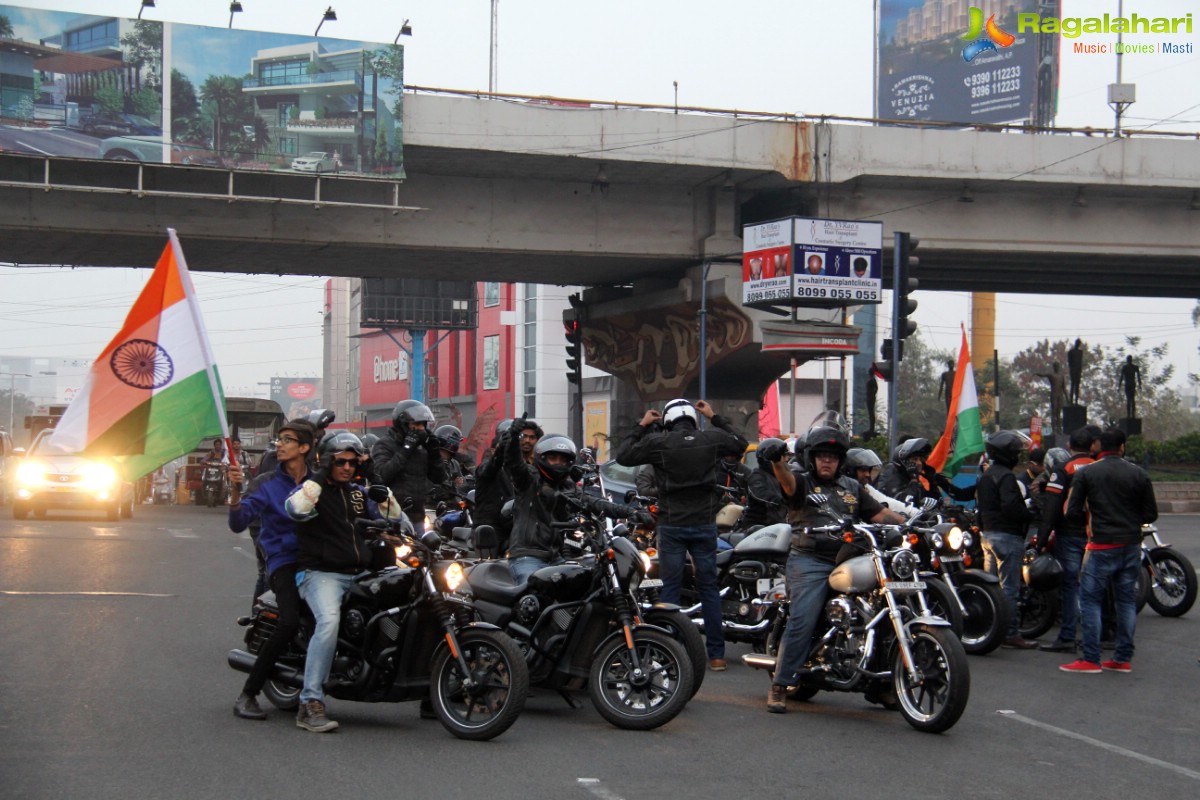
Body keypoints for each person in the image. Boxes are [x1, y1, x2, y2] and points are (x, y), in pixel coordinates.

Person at [762, 427, 904, 712]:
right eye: (822, 457)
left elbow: (879, 514)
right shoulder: (801, 483)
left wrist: (909, 522)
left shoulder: (852, 487)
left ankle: (879, 685)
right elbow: (787, 483)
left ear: (841, 461)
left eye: (833, 457)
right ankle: (781, 683)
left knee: (883, 611)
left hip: (849, 557)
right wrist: (778, 462)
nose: (827, 462)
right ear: (812, 459)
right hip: (809, 558)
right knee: (803, 615)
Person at [615, 398, 749, 671]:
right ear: (692, 417)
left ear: (667, 421)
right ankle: (717, 656)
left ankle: (670, 654)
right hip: (704, 524)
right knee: (709, 589)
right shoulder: (711, 438)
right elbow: (740, 443)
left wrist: (641, 425)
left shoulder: (658, 443)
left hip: (672, 524)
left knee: (671, 591)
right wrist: (714, 416)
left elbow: (624, 455)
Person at [285, 432, 403, 732]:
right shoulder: (312, 490)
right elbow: (296, 509)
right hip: (319, 573)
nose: (348, 467)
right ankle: (309, 702)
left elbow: (395, 517)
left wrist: (376, 480)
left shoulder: (356, 493)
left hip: (358, 573)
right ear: (327, 461)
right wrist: (323, 473)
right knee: (329, 622)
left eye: (352, 462)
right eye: (341, 461)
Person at [227, 418, 317, 721]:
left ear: (304, 447)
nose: (279, 444)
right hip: (284, 562)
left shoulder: (319, 484)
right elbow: (238, 523)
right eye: (279, 439)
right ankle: (249, 693)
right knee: (289, 621)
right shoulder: (265, 483)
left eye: (287, 439)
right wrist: (235, 492)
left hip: (320, 562)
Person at [1060, 428, 1157, 674]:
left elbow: (1071, 512)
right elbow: (1150, 514)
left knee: (1090, 601)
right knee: (1125, 601)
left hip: (1101, 545)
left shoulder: (1088, 473)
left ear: (1098, 447)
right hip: (1131, 545)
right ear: (1122, 447)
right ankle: (1122, 658)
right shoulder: (1139, 474)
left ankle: (1091, 659)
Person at [505, 427, 646, 582]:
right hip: (528, 556)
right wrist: (512, 439)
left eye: (563, 459)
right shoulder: (529, 481)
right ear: (542, 458)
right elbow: (515, 465)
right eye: (553, 458)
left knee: (588, 583)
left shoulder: (567, 486)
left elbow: (594, 502)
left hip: (554, 557)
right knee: (532, 594)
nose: (558, 463)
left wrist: (631, 512)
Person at [1037, 425, 1101, 653]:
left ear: (1069, 446)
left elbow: (1052, 507)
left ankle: (1066, 638)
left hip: (1070, 534)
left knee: (1070, 586)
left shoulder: (1063, 469)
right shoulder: (1100, 467)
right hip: (1097, 535)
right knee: (1094, 588)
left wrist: (1041, 539)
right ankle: (1096, 638)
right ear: (1093, 446)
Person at [976, 430, 1039, 649]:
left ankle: (991, 629)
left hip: (988, 536)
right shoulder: (1006, 476)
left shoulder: (986, 475)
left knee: (990, 589)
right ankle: (1010, 633)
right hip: (1007, 537)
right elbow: (1012, 507)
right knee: (1009, 589)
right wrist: (1030, 514)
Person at [371, 400, 446, 533]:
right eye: (416, 424)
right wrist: (406, 449)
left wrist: (434, 453)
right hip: (392, 517)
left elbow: (439, 478)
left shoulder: (422, 448)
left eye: (423, 424)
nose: (421, 428)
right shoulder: (384, 444)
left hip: (418, 517)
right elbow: (381, 475)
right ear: (403, 424)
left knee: (428, 551)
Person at [742, 438, 787, 528]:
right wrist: (781, 500)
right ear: (769, 458)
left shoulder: (783, 476)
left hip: (778, 525)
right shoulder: (757, 475)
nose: (786, 459)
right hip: (759, 526)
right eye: (783, 456)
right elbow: (761, 493)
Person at [1037, 363, 1069, 435]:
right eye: (1055, 366)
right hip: (1054, 395)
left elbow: (1064, 388)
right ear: (1054, 367)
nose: (1057, 367)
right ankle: (1054, 429)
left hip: (1060, 395)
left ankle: (1059, 429)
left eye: (1058, 366)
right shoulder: (1051, 375)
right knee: (1054, 412)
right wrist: (1036, 373)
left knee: (1058, 413)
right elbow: (1043, 375)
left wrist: (1067, 398)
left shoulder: (1061, 376)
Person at [1067, 339, 1085, 405]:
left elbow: (1080, 362)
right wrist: (1072, 369)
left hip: (1078, 371)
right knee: (1073, 385)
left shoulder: (1080, 352)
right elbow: (1070, 362)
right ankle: (1071, 401)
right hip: (1073, 371)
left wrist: (1080, 371)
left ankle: (1076, 401)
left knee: (1077, 386)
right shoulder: (1071, 352)